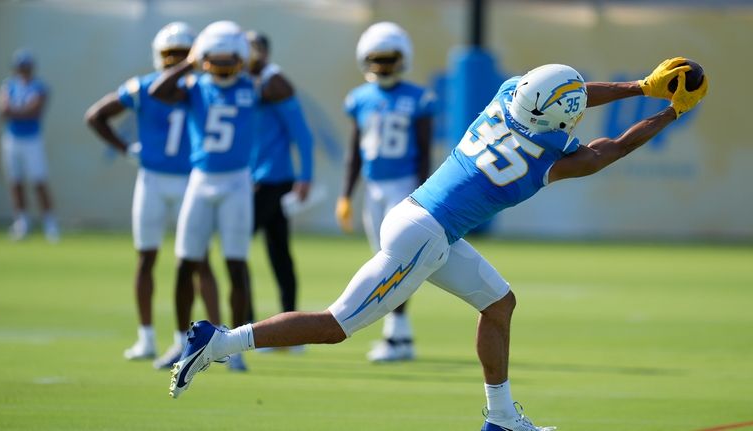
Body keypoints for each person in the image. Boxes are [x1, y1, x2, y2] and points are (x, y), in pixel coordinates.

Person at [167, 58, 708, 431]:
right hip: (424, 238)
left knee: (499, 303)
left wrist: (641, 86)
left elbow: (570, 97)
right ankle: (219, 342)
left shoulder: (505, 97)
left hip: (417, 217)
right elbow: (607, 148)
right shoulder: (542, 163)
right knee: (336, 326)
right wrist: (669, 110)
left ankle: (499, 417)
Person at [85, 22, 220, 366]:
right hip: (153, 180)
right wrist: (126, 148)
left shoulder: (202, 88)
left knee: (198, 260)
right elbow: (96, 116)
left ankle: (218, 337)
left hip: (191, 181)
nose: (174, 61)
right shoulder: (145, 87)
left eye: (180, 54)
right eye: (169, 54)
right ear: (158, 56)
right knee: (147, 257)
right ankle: (146, 337)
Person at [149, 20, 258, 371]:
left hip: (237, 181)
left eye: (231, 60)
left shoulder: (253, 87)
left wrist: (254, 57)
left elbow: (285, 88)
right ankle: (182, 342)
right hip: (201, 179)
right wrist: (189, 62)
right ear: (204, 59)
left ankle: (235, 346)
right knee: (185, 262)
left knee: (235, 263)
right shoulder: (194, 86)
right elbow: (157, 92)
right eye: (216, 60)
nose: (224, 68)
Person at [335, 22, 433, 362]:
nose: (383, 66)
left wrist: (422, 193)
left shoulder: (418, 98)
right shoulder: (360, 98)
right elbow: (354, 152)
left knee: (396, 260)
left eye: (389, 59)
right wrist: (346, 195)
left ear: (402, 59)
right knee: (381, 258)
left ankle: (398, 335)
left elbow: (424, 152)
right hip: (374, 188)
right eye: (377, 59)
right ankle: (398, 334)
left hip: (404, 186)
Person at [246, 31, 313, 336]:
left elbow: (302, 134)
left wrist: (306, 175)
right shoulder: (244, 82)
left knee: (237, 250)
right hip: (256, 179)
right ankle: (290, 327)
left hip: (271, 181)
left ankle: (243, 323)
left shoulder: (276, 83)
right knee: (279, 252)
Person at [0, 49, 59, 242]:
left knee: (39, 181)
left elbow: (35, 111)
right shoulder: (8, 86)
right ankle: (22, 222)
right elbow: (2, 110)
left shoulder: (39, 87)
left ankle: (50, 223)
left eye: (26, 67)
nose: (23, 70)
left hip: (32, 139)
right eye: (20, 67)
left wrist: (14, 111)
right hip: (11, 139)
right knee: (15, 182)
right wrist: (21, 110)